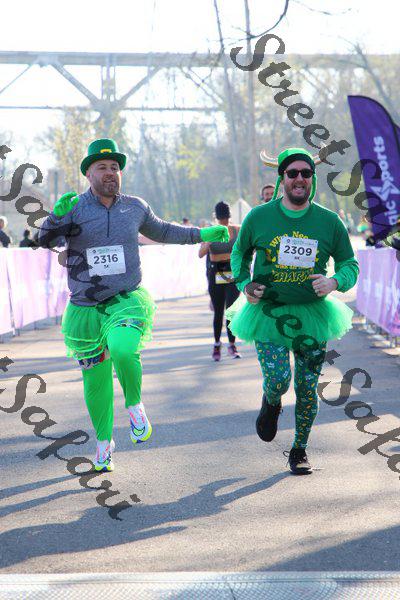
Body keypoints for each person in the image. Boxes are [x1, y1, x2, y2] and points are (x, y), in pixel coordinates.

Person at [38, 138, 229, 473]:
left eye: (114, 167)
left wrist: (203, 233)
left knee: (123, 349)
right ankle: (103, 445)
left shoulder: (135, 207)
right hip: (85, 308)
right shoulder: (75, 208)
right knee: (95, 381)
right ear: (88, 174)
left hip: (125, 300)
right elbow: (44, 240)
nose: (110, 172)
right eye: (102, 167)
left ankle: (135, 406)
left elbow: (165, 231)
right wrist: (56, 216)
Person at [227, 147, 359, 475]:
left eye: (306, 173)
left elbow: (349, 263)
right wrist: (245, 284)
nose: (300, 178)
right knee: (278, 379)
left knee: (307, 386)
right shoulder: (259, 217)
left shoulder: (329, 221)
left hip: (312, 315)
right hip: (269, 314)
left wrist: (334, 281)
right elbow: (239, 253)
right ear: (282, 178)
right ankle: (271, 401)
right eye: (293, 173)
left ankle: (299, 449)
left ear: (312, 178)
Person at [199, 201, 241, 360]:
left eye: (226, 219)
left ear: (229, 216)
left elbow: (246, 249)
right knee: (218, 312)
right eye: (222, 219)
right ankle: (217, 345)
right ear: (216, 217)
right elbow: (201, 253)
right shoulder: (210, 231)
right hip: (216, 272)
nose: (224, 222)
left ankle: (232, 345)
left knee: (231, 310)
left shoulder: (238, 230)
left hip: (232, 272)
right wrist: (209, 241)